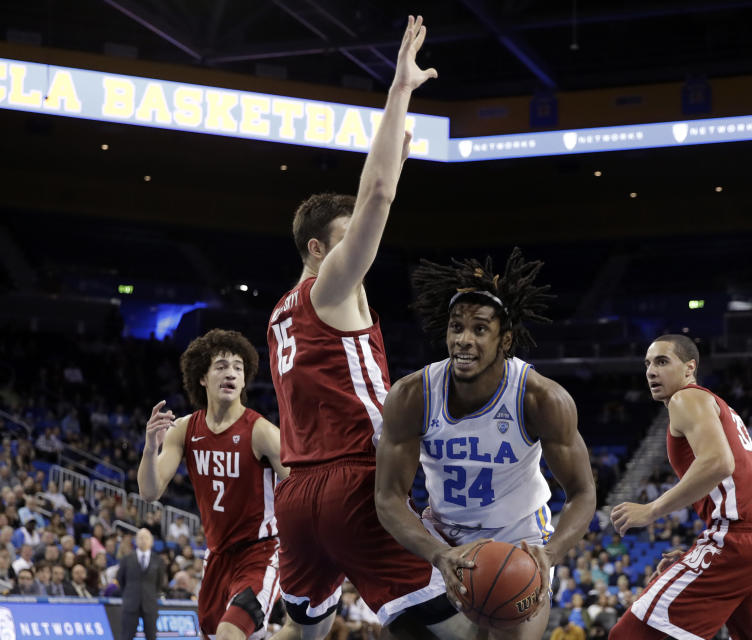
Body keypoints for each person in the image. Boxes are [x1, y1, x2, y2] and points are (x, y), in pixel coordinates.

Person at [266, 15, 464, 640]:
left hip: (296, 496)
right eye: (350, 240)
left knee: (304, 631)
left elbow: (381, 186)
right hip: (356, 481)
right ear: (320, 248)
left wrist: (396, 156)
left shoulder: (279, 312)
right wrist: (400, 88)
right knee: (462, 626)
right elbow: (377, 194)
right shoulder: (331, 285)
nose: (365, 249)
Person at [374, 249, 597, 640]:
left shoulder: (540, 398)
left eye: (479, 329)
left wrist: (551, 554)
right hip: (442, 536)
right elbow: (389, 497)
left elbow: (582, 492)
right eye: (456, 327)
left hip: (519, 536)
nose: (463, 339)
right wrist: (435, 552)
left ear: (505, 339)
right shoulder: (413, 395)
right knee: (396, 626)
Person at [608, 334, 752, 640]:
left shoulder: (686, 398)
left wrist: (652, 509)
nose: (651, 371)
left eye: (662, 361)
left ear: (689, 367)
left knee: (628, 635)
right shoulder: (718, 406)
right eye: (648, 363)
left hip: (738, 540)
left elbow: (720, 462)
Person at [138, 329, 285, 640]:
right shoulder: (184, 429)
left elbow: (302, 490)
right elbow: (149, 492)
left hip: (260, 552)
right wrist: (150, 447)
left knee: (230, 633)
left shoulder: (262, 432)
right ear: (202, 377)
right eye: (221, 366)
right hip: (216, 556)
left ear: (245, 381)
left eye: (238, 367)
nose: (230, 373)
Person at [117, 529, 166, 640]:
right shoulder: (127, 559)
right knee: (126, 636)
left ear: (151, 541)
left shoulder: (158, 560)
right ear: (136, 541)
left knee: (151, 636)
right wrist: (130, 593)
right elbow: (120, 579)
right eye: (140, 538)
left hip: (150, 604)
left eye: (146, 538)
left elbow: (159, 582)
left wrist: (150, 593)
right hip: (130, 603)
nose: (143, 540)